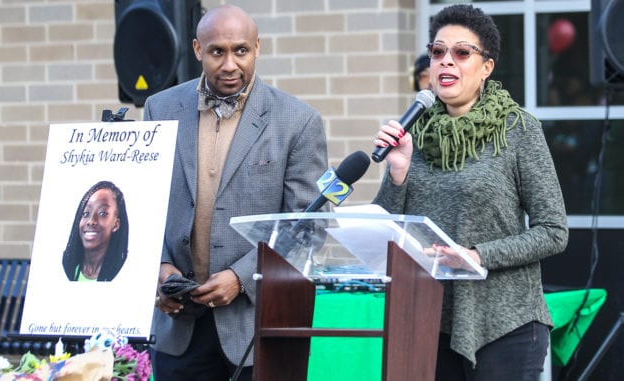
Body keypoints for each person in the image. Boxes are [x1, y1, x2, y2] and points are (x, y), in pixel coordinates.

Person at [372, 4, 568, 380]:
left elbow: (553, 231)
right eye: (438, 52)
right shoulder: (412, 134)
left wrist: (478, 256)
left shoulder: (517, 129)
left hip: (505, 323)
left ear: (487, 67)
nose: (446, 62)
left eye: (462, 53)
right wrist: (397, 172)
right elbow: (389, 230)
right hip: (429, 321)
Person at [142, 4, 328, 380]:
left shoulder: (298, 121)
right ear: (197, 50)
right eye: (217, 52)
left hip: (256, 327)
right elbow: (144, 206)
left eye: (240, 50)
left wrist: (241, 278)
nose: (230, 64)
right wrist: (158, 269)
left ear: (257, 47)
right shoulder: (158, 108)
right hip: (179, 327)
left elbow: (307, 227)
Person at [62, 180, 129, 282]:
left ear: (116, 224)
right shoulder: (68, 268)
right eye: (85, 213)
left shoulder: (124, 273)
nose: (91, 221)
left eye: (102, 213)